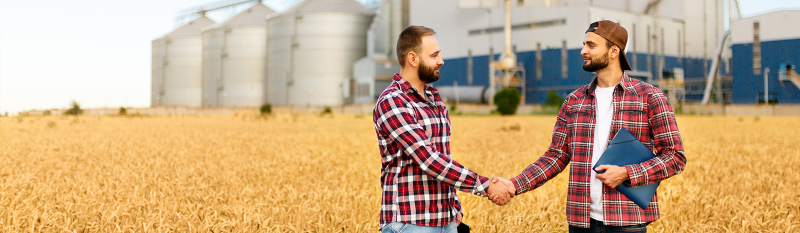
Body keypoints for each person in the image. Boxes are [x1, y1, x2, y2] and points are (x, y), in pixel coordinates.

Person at [491, 20, 687, 232]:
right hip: (581, 221)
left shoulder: (650, 97)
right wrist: (514, 185)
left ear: (614, 51)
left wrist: (627, 173)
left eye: (591, 45)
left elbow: (675, 157)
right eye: (584, 44)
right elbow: (556, 156)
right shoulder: (574, 101)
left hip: (626, 221)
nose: (583, 51)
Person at [373, 25, 515, 233]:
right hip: (410, 223)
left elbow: (443, 157)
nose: (441, 61)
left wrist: (454, 206)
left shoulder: (435, 100)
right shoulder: (393, 101)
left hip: (446, 221)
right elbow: (428, 159)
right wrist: (486, 186)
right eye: (434, 55)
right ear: (413, 59)